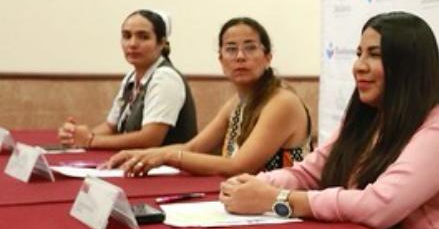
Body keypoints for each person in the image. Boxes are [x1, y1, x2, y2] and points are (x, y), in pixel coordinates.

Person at [220, 12, 439, 229]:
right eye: (359, 54)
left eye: (374, 55)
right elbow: (310, 172)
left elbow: (377, 207)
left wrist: (277, 199)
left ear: (408, 66)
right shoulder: (368, 117)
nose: (358, 66)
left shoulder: (438, 134)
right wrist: (254, 184)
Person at [105, 17, 312, 177]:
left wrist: (167, 156)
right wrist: (142, 155)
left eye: (250, 48)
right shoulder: (237, 102)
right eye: (231, 49)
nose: (240, 56)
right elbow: (193, 148)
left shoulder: (282, 101)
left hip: (281, 207)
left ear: (268, 57)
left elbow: (240, 166)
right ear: (221, 59)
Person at [57, 9, 197, 149]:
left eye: (143, 37)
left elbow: (150, 138)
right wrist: (76, 137)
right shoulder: (131, 77)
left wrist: (91, 141)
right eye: (127, 36)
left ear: (161, 43)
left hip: (168, 162)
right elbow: (111, 127)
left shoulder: (165, 78)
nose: (132, 44)